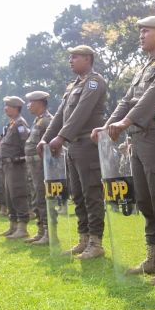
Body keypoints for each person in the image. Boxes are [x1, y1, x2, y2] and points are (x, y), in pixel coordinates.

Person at [93, 15, 155, 284]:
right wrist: (108, 125)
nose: (141, 35)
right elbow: (127, 100)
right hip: (138, 140)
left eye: (146, 30)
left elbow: (152, 97)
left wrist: (126, 122)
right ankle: (153, 256)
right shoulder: (144, 67)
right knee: (144, 200)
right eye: (141, 31)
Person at [39, 45, 108, 260]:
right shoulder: (73, 86)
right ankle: (84, 239)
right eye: (70, 57)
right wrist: (46, 138)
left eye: (75, 57)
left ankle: (96, 242)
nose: (71, 60)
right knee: (77, 195)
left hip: (88, 145)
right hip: (74, 146)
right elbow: (60, 114)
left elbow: (81, 113)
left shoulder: (95, 82)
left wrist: (62, 137)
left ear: (88, 59)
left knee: (91, 194)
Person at [0, 96, 31, 239]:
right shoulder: (11, 124)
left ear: (16, 108)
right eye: (5, 105)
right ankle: (13, 226)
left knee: (18, 195)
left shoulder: (20, 124)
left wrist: (23, 159)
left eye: (8, 106)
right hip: (8, 166)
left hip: (16, 165)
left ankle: (22, 228)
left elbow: (27, 144)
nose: (5, 108)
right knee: (9, 196)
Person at [24, 91, 53, 245]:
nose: (28, 105)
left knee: (43, 197)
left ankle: (49, 232)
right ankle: (41, 230)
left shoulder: (48, 121)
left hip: (42, 166)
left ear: (40, 103)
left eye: (31, 102)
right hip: (34, 166)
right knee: (37, 197)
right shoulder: (38, 121)